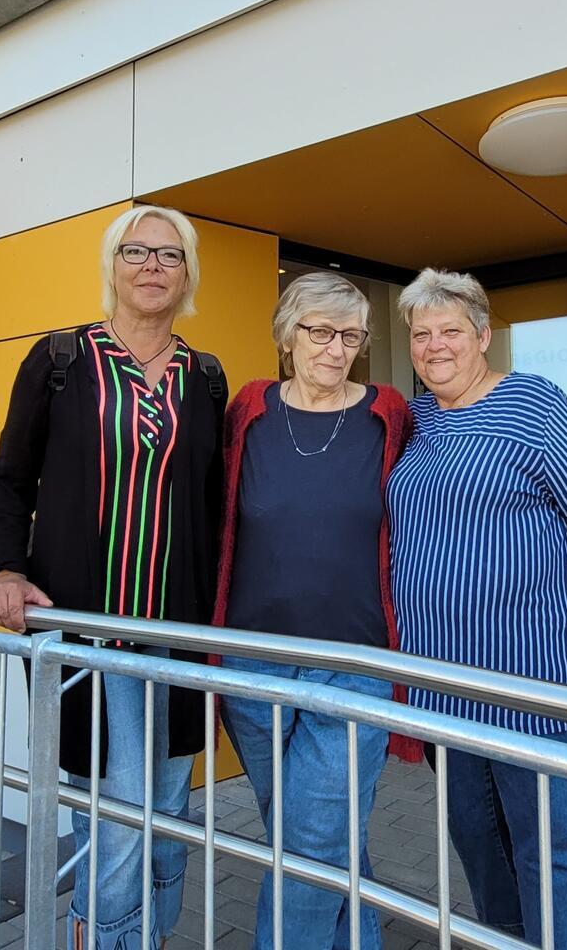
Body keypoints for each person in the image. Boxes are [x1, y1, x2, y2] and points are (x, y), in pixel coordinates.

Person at [0, 204, 228, 950]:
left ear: (187, 276)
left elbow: (215, 506)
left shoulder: (206, 377)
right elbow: (7, 482)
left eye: (169, 255)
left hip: (177, 633)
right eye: (136, 251)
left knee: (166, 814)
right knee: (118, 814)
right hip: (92, 632)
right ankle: (108, 939)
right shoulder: (59, 360)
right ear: (111, 266)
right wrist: (8, 570)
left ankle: (147, 934)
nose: (152, 265)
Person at [386, 267, 567, 948]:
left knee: (549, 848)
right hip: (446, 687)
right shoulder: (419, 418)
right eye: (422, 333)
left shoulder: (535, 404)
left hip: (530, 681)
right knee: (476, 842)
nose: (436, 346)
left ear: (484, 335)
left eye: (451, 331)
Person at [209, 272, 419, 949]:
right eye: (320, 331)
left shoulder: (390, 415)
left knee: (310, 840)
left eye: (351, 335)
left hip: (352, 664)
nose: (335, 349)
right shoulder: (249, 412)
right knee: (312, 839)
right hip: (252, 667)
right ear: (287, 334)